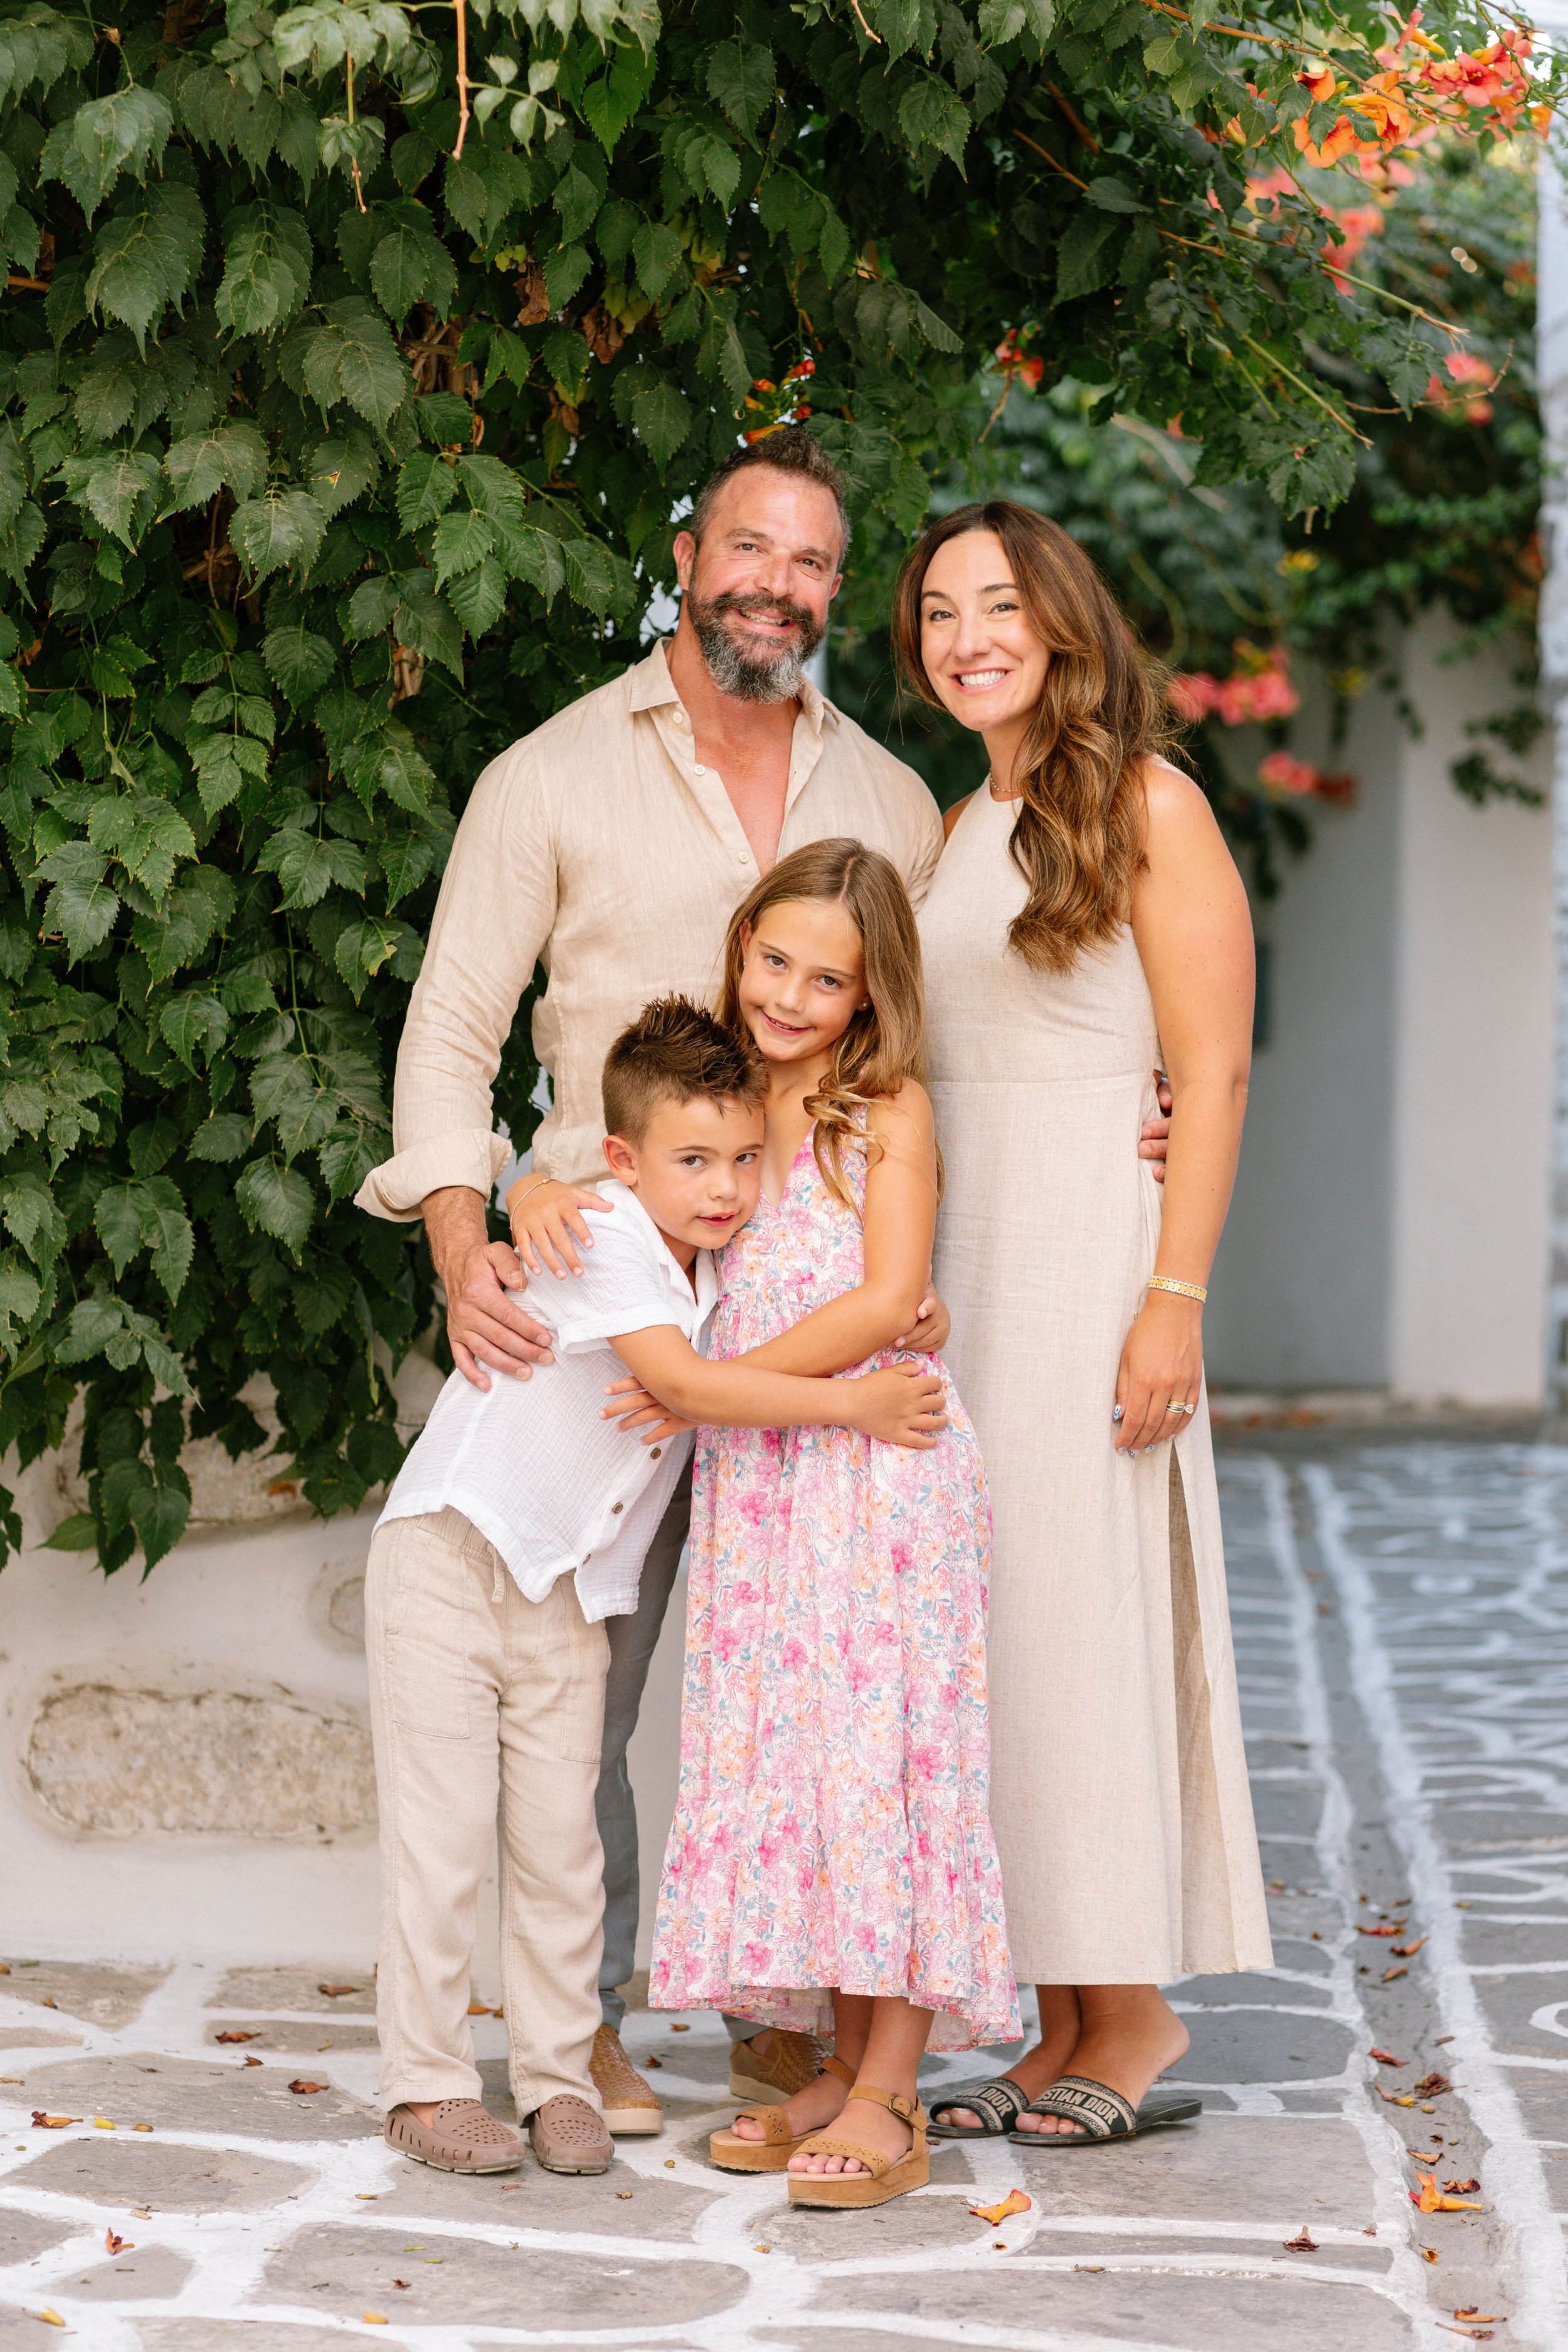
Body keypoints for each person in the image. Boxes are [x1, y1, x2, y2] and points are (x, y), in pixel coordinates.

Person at [356, 428, 950, 2124]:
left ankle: (788, 2010)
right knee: (579, 1688)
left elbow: (938, 1020)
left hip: (813, 1304)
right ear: (688, 555)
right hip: (600, 1295)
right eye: (748, 547)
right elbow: (454, 1026)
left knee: (811, 1665)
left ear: (836, 590)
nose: (775, 581)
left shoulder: (887, 799)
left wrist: (1121, 1092)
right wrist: (465, 1237)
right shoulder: (549, 773)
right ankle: (580, 2029)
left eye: (812, 561)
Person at [365, 997, 948, 2177]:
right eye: (694, 1160)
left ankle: (556, 2074)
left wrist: (912, 1312)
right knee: (441, 1839)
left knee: (560, 1847)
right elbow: (692, 1383)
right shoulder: (611, 1237)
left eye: (743, 1159)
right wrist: (859, 1399)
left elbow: (794, 1305)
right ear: (626, 1161)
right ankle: (426, 2087)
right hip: (453, 1557)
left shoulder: (714, 1269)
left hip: (572, 1593)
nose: (725, 1185)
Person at [899, 503, 1273, 2151]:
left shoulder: (1148, 804)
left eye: (996, 604)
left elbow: (1214, 1067)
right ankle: (1053, 2016)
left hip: (1089, 1261)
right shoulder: (952, 822)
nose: (965, 633)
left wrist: (1172, 1296)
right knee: (998, 1640)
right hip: (964, 1262)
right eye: (934, 611)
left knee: (1081, 1616)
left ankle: (1132, 2006)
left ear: (1059, 623)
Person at [628, 843, 1019, 2212]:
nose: (791, 994)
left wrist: (723, 1392)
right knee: (798, 1771)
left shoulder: (882, 1107)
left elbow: (885, 1294)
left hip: (873, 1472)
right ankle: (833, 2074)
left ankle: (889, 2091)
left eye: (828, 977)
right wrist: (549, 1196)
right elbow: (633, 1201)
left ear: (869, 995)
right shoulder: (717, 1101)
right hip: (763, 1483)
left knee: (884, 1769)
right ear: (739, 946)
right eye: (773, 959)